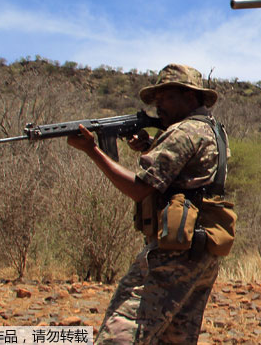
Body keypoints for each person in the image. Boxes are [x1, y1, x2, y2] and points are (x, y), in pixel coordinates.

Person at [67, 63, 233, 344]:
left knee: (120, 334)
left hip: (173, 254)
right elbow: (187, 176)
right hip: (202, 251)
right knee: (174, 337)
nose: (158, 105)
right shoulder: (213, 130)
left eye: (165, 96)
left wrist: (92, 150)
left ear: (189, 96)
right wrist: (149, 147)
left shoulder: (183, 132)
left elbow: (139, 189)